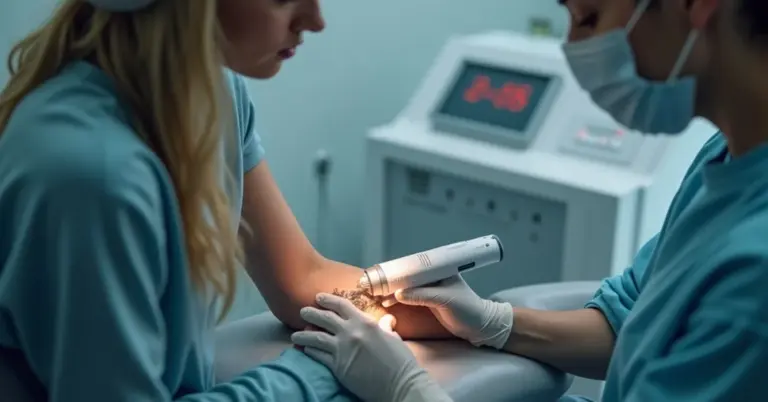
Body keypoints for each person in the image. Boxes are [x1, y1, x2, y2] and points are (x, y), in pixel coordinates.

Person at [292, 0, 768, 401]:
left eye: (588, 18)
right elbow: (629, 327)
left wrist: (408, 389)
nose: (576, 48)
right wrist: (494, 323)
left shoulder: (754, 274)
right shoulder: (727, 157)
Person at [0, 0, 450, 401]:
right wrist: (314, 371)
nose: (315, 21)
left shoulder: (209, 95)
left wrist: (497, 323)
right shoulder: (91, 177)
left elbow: (301, 277)